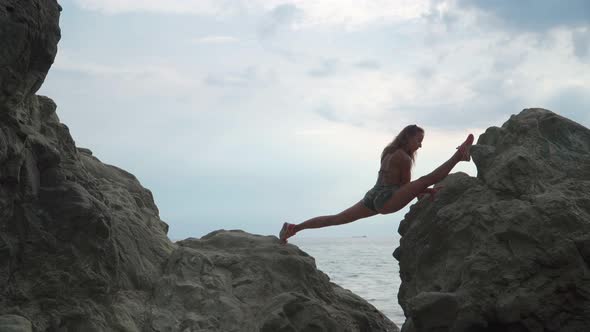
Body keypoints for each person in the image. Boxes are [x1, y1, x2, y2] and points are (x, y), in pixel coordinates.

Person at [279, 125, 474, 243]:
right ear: (408, 137)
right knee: (426, 179)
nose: (420, 145)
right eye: (419, 140)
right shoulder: (404, 158)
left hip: (373, 196)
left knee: (336, 218)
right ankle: (459, 155)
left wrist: (421, 192)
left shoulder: (388, 151)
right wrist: (423, 189)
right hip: (387, 200)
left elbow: (402, 188)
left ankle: (294, 228)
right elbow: (406, 187)